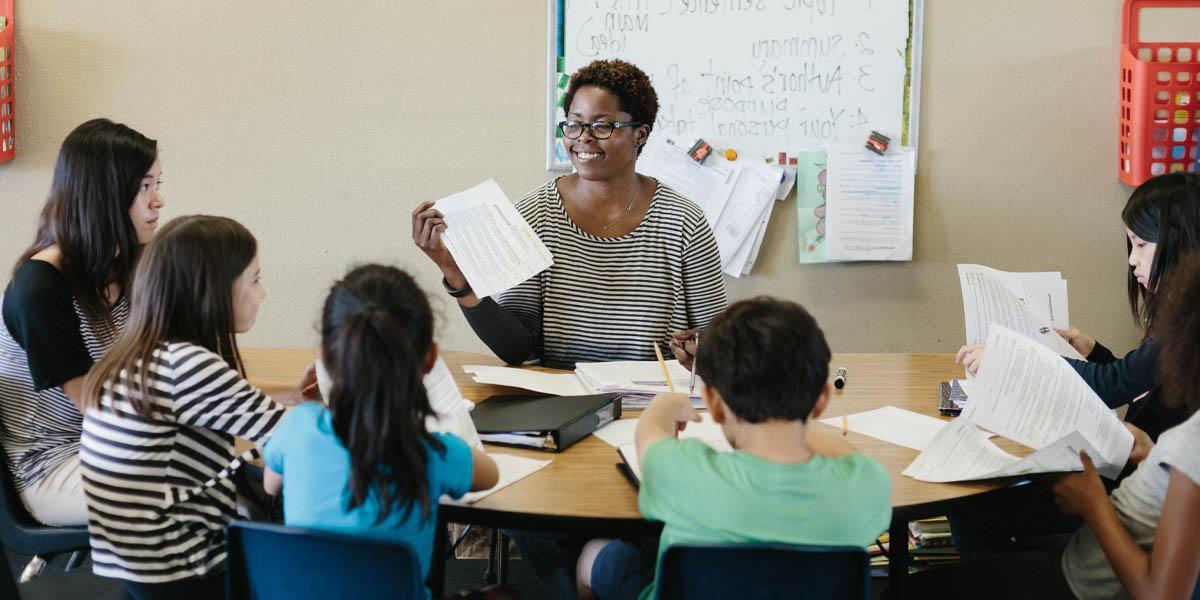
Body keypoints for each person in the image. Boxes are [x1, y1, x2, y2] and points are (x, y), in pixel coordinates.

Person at [912, 253, 1200, 600]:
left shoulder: (1192, 444)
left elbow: (1162, 595)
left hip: (1086, 578)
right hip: (1084, 552)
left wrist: (1093, 505)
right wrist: (1150, 454)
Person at [412, 59, 726, 370]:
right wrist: (457, 275)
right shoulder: (534, 215)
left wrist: (702, 350)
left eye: (603, 126)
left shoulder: (684, 222)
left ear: (640, 134)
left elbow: (717, 341)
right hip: (565, 407)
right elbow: (517, 347)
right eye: (574, 124)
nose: (583, 138)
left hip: (655, 407)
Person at [576, 297, 892, 600]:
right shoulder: (864, 484)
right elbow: (849, 456)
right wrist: (795, 429)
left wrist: (663, 407)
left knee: (593, 555)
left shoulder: (687, 472)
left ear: (713, 403)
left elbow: (650, 438)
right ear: (822, 399)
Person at [80, 216, 298, 600]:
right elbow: (298, 438)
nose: (262, 293)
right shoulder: (186, 365)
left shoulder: (137, 355)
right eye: (255, 279)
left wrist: (295, 404)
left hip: (139, 568)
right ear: (213, 290)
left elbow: (244, 411)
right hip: (189, 569)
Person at [261, 264, 499, 596]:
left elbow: (271, 485)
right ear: (429, 359)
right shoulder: (432, 452)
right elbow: (490, 476)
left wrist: (312, 408)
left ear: (324, 359)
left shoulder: (299, 428)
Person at [0, 118, 163, 526]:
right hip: (51, 464)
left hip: (109, 446)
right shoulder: (38, 288)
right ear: (105, 195)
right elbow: (95, 405)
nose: (158, 200)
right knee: (196, 495)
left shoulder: (126, 265)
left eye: (158, 184)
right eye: (145, 187)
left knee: (229, 476)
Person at [957, 172, 1200, 441]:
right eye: (1131, 245)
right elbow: (1139, 382)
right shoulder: (1182, 319)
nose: (1132, 259)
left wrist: (1011, 359)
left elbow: (1113, 386)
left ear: (1183, 242)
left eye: (1141, 244)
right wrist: (1095, 352)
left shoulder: (1189, 327)